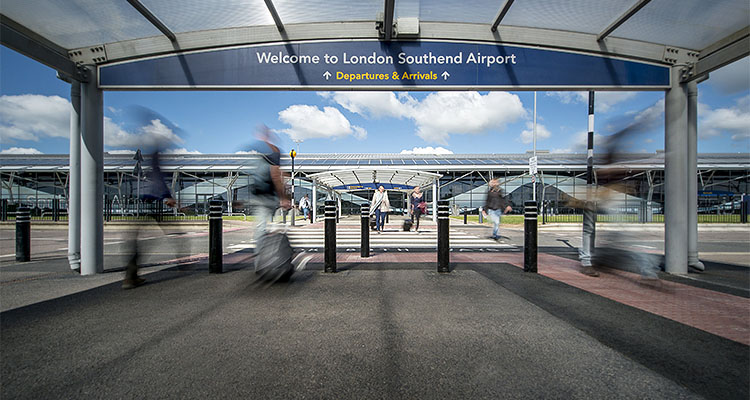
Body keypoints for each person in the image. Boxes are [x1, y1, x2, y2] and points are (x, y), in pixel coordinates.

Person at [123, 151, 177, 289]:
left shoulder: (140, 168)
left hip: (142, 208)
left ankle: (131, 276)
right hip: (151, 207)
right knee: (149, 240)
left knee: (137, 241)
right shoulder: (152, 169)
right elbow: (158, 183)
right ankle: (131, 276)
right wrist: (166, 197)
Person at [246, 125, 291, 249]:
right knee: (264, 226)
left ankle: (263, 249)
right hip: (267, 196)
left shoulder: (261, 153)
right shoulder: (274, 152)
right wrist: (284, 197)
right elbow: (276, 175)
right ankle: (263, 255)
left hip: (260, 194)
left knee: (263, 225)